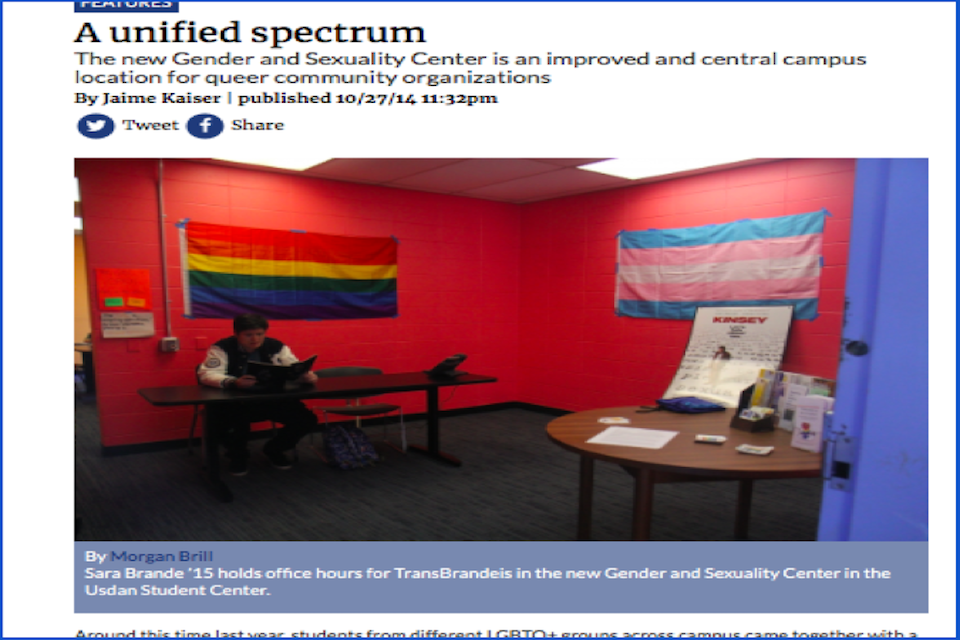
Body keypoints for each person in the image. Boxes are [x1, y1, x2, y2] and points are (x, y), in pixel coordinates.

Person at [198, 313, 319, 476]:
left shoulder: (276, 346)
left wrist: (305, 375)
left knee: (306, 420)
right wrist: (234, 382)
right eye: (248, 335)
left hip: (271, 400)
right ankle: (237, 456)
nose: (254, 339)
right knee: (228, 421)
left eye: (259, 334)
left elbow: (292, 365)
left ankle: (274, 450)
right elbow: (207, 374)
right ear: (237, 334)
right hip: (236, 403)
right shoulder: (222, 348)